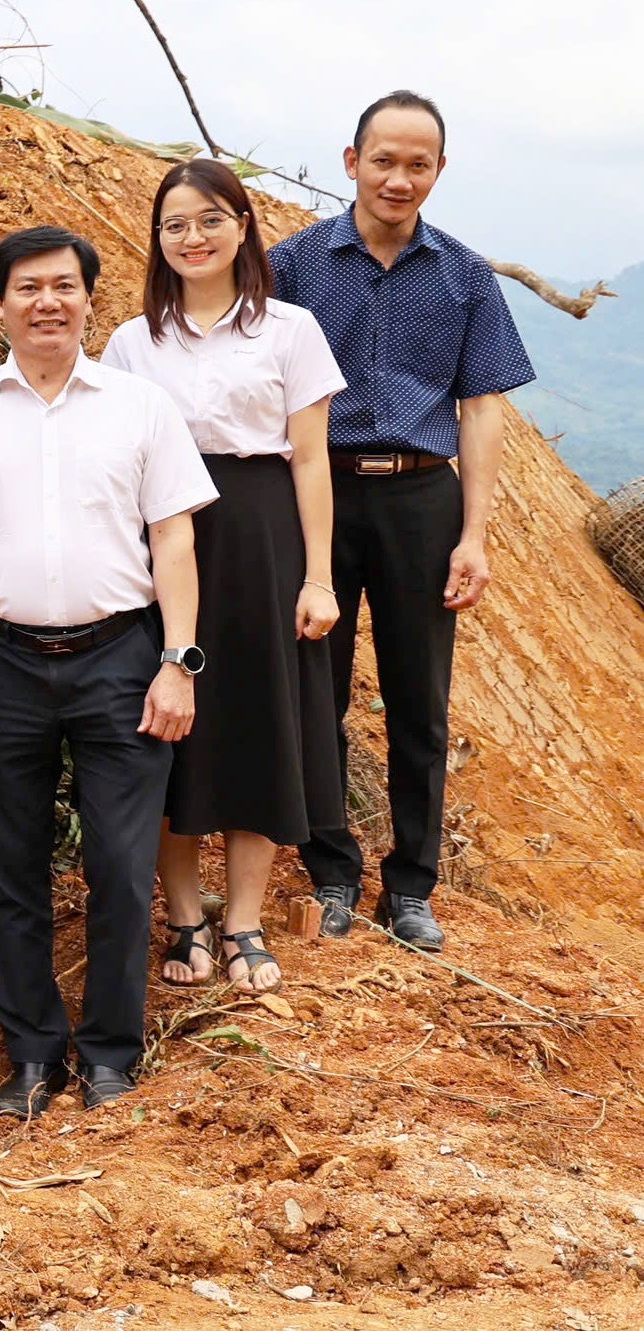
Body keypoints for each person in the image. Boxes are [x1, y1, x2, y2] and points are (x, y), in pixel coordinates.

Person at [0, 226, 216, 1118]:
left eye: (65, 287)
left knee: (121, 869)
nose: (47, 302)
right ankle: (34, 1057)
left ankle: (112, 1054)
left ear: (90, 299)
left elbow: (175, 540)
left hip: (122, 660)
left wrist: (177, 664)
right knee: (16, 871)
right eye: (28, 287)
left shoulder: (140, 407)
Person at [270, 92, 533, 953]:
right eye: (384, 159)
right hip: (321, 494)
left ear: (439, 173)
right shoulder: (295, 266)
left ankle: (412, 886)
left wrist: (475, 534)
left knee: (421, 702)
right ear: (352, 161)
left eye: (418, 164)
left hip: (425, 497)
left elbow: (482, 408)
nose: (399, 177)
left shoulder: (464, 275)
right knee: (320, 690)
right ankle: (332, 871)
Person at [103, 161, 347, 993]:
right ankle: (184, 918)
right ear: (158, 239)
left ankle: (242, 919)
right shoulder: (133, 341)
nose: (193, 237)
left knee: (255, 724)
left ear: (242, 226)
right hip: (163, 539)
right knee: (170, 733)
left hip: (262, 536)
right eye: (175, 225)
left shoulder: (290, 329)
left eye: (210, 219)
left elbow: (311, 460)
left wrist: (318, 578)